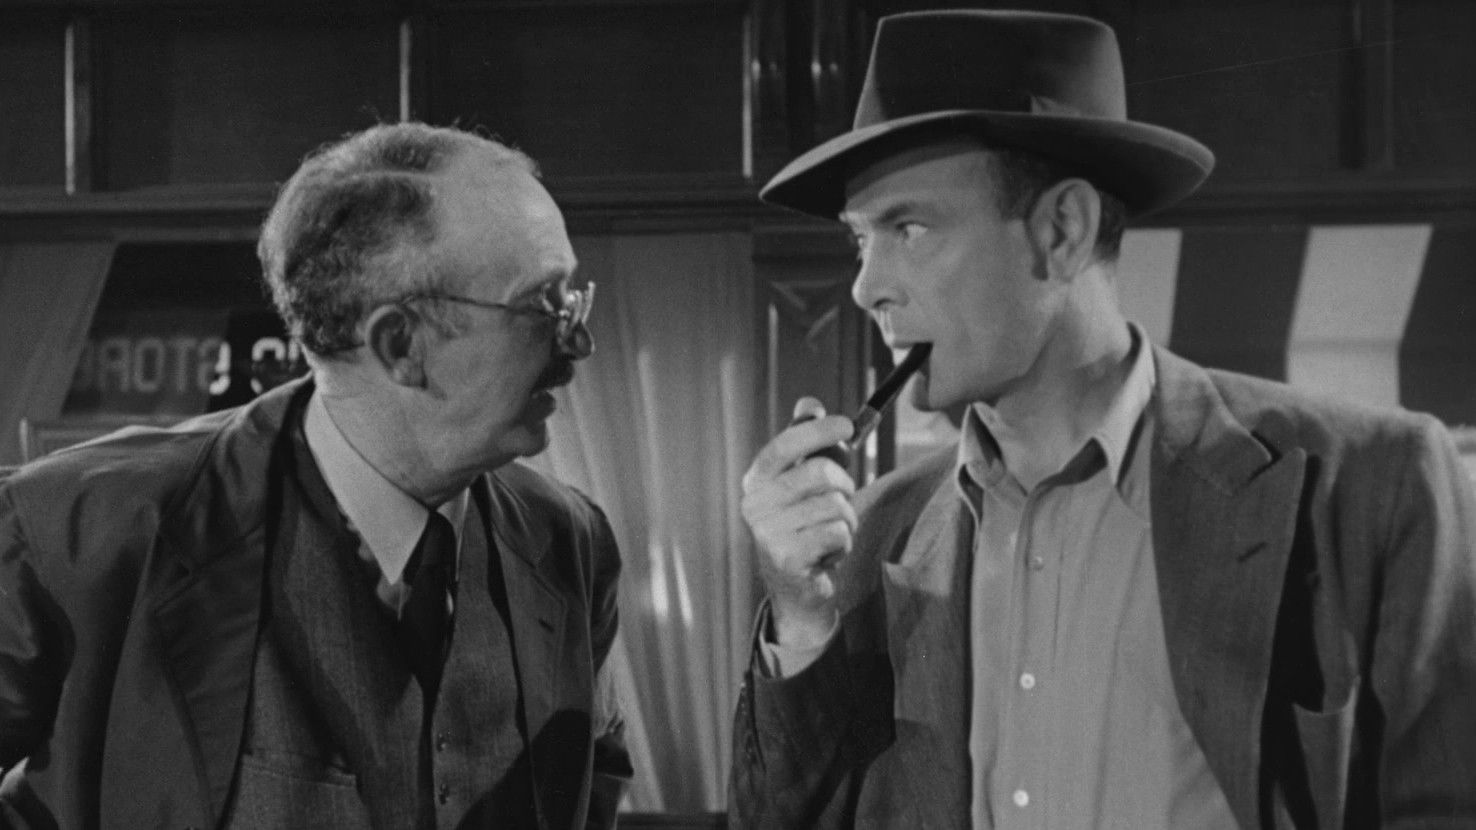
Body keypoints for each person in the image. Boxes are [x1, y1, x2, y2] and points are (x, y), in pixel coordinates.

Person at [730, 10, 1476, 829]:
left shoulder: (1370, 488)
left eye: (909, 228)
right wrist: (801, 619)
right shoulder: (871, 540)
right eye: (859, 241)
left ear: (1063, 230)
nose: (866, 286)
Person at [0, 122, 630, 829]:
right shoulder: (79, 529)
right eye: (543, 305)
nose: (578, 342)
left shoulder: (568, 541)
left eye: (571, 299)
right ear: (400, 344)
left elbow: (593, 777)